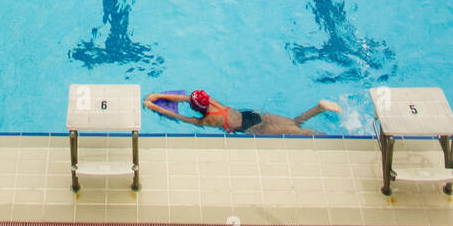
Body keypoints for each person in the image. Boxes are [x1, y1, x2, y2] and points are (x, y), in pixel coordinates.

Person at [144, 90, 341, 137]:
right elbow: (185, 98)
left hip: (254, 127)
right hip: (255, 115)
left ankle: (330, 138)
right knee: (294, 123)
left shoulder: (211, 119)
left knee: (301, 133)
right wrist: (157, 96)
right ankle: (319, 108)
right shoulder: (210, 100)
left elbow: (182, 118)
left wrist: (155, 106)